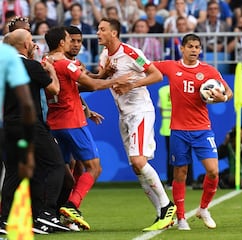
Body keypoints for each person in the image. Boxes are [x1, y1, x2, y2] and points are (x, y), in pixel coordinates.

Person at [43, 26, 129, 230]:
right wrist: (116, 80)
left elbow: (74, 86)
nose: (72, 43)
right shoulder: (65, 64)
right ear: (62, 43)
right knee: (95, 167)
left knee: (64, 173)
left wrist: (89, 107)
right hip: (72, 122)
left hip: (54, 123)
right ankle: (72, 206)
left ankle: (52, 214)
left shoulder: (45, 63)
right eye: (68, 39)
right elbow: (92, 85)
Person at [96, 18, 176, 231]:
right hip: (124, 115)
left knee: (138, 160)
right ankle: (162, 213)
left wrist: (131, 83)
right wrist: (103, 74)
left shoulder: (131, 53)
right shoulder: (104, 55)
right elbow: (99, 80)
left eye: (102, 29)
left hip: (140, 110)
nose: (98, 33)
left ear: (114, 33)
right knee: (136, 166)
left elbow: (157, 75)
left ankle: (167, 206)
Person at [153, 33, 233, 230]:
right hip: (179, 130)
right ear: (182, 48)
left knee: (213, 171)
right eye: (190, 46)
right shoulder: (171, 66)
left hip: (202, 130)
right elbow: (146, 65)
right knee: (180, 173)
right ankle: (181, 218)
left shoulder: (208, 70)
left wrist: (221, 98)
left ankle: (203, 208)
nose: (194, 50)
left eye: (197, 47)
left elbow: (228, 93)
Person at [2, 29, 70, 234]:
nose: (34, 45)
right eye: (31, 41)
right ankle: (46, 214)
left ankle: (6, 220)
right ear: (24, 45)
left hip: (8, 126)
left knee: (14, 173)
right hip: (30, 125)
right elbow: (54, 90)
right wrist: (51, 70)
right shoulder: (31, 66)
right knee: (55, 165)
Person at [0, 42, 36, 233]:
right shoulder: (7, 55)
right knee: (12, 173)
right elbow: (28, 105)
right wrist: (27, 147)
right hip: (4, 128)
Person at [157, 84, 193, 188]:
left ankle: (170, 182)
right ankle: (189, 181)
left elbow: (161, 109)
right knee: (186, 154)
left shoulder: (162, 91)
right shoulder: (183, 88)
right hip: (184, 127)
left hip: (168, 128)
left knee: (171, 156)